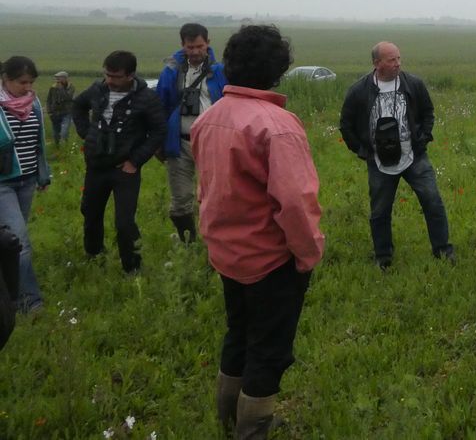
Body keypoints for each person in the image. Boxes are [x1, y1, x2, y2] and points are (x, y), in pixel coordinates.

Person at [191, 24, 324, 439]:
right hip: (271, 259)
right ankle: (252, 430)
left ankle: (228, 418)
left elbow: (206, 188)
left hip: (226, 253)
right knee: (270, 350)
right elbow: (295, 203)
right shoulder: (277, 125)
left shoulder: (210, 118)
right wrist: (308, 255)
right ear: (278, 69)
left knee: (238, 334)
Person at [340, 42, 454, 269]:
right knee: (380, 211)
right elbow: (346, 125)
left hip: (414, 156)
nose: (397, 64)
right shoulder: (359, 90)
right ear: (377, 63)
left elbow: (428, 112)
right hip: (379, 161)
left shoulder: (413, 84)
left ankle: (442, 250)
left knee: (433, 202)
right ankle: (383, 256)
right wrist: (363, 151)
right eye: (391, 60)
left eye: (399, 58)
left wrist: (422, 139)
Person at [72, 51, 166, 273]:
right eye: (107, 75)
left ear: (131, 75)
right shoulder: (97, 89)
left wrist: (135, 161)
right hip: (96, 165)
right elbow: (78, 105)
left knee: (124, 222)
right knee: (90, 212)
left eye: (116, 76)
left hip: (125, 169)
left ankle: (132, 267)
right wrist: (87, 132)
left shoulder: (146, 98)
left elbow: (159, 130)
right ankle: (94, 254)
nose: (110, 80)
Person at [156, 23, 227, 243]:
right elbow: (160, 106)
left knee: (216, 195)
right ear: (182, 45)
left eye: (199, 46)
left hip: (213, 143)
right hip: (179, 143)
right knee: (181, 198)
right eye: (190, 47)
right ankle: (188, 241)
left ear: (208, 43)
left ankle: (215, 239)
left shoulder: (221, 71)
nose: (195, 51)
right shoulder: (171, 71)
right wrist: (158, 142)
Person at [0, 57, 51, 313]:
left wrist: (43, 174)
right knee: (19, 242)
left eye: (31, 82)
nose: (28, 87)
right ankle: (29, 301)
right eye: (22, 82)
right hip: (3, 184)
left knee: (9, 241)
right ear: (5, 79)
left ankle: (7, 292)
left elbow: (38, 141)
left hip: (27, 180)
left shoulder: (34, 103)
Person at [45, 71, 75, 147]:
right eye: (56, 78)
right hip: (55, 113)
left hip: (66, 112)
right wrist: (49, 111)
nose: (57, 79)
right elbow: (49, 100)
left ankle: (65, 147)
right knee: (56, 133)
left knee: (64, 132)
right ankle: (57, 148)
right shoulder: (53, 87)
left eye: (59, 78)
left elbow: (68, 97)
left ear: (65, 78)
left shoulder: (71, 87)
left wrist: (61, 89)